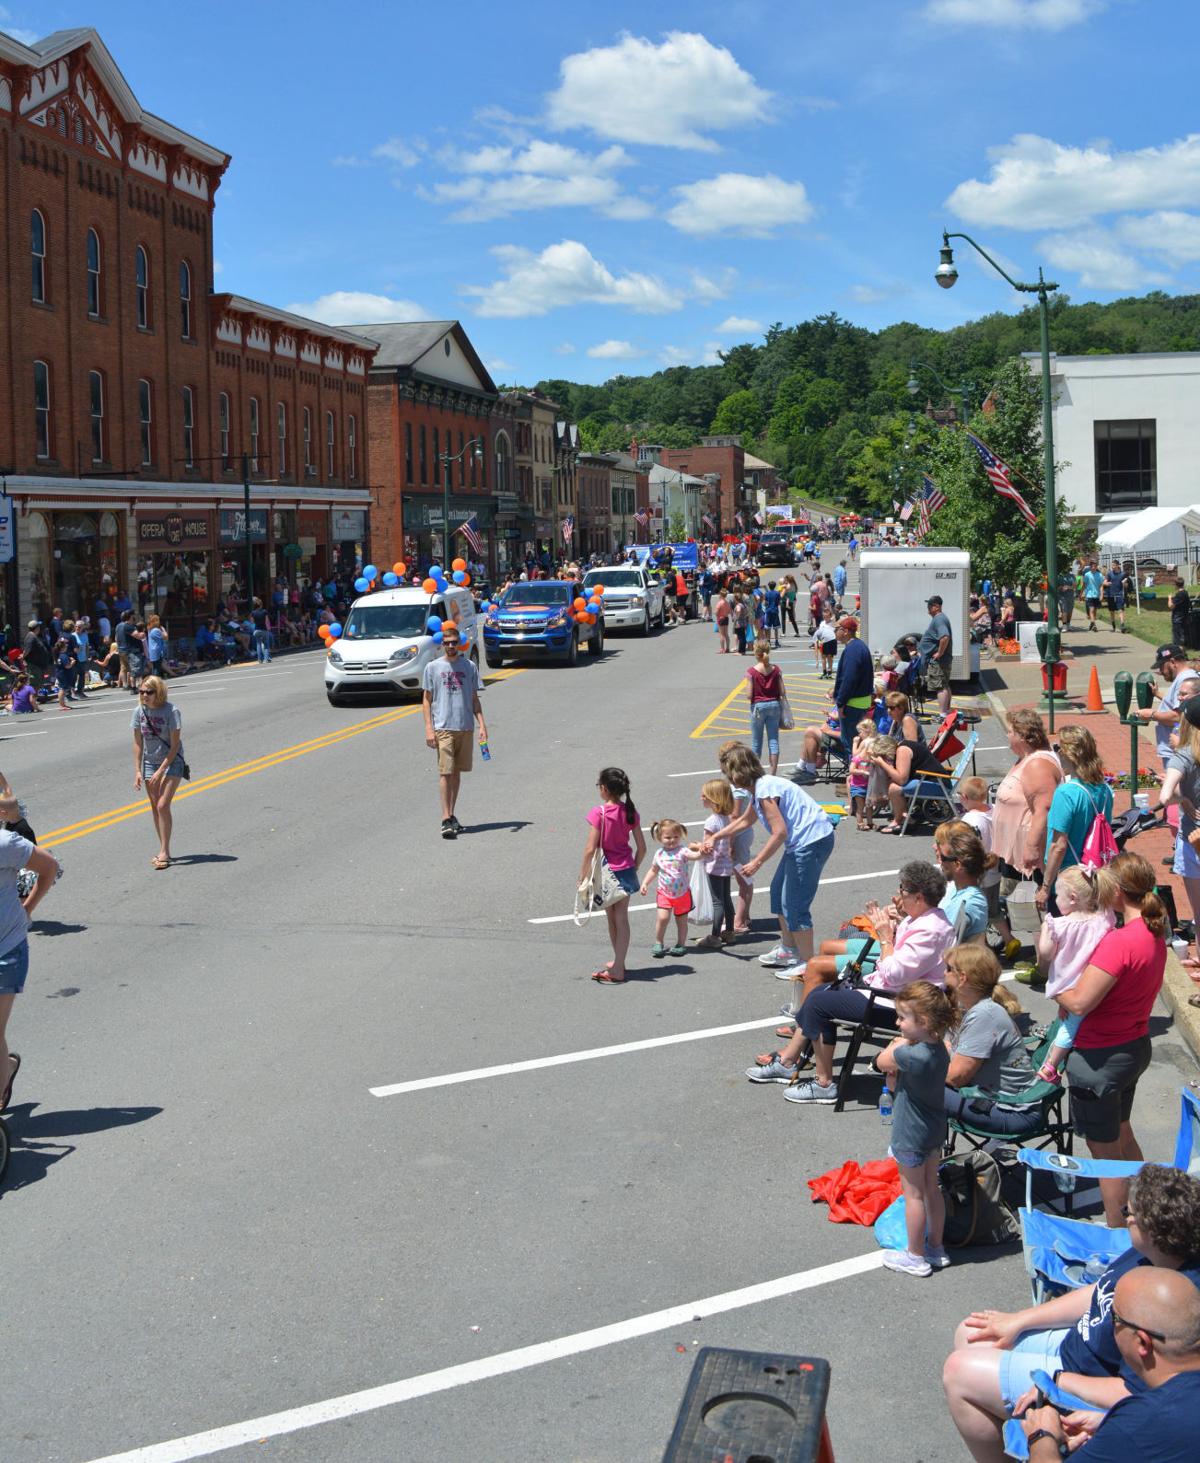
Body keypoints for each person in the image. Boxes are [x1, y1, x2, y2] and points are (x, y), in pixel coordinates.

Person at [942, 1163, 1200, 1463]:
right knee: (969, 1333)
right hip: (1073, 1346)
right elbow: (1099, 1292)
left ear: (1153, 1231)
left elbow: (1139, 1390)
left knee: (958, 1373)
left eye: (1128, 1214)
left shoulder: (1175, 1303)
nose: (1123, 1217)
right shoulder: (1150, 1254)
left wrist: (1058, 1380)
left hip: (1085, 1378)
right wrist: (1018, 1321)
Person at [750, 861, 955, 1093]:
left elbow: (894, 974)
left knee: (819, 1003)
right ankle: (790, 1060)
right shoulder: (921, 919)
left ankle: (823, 1083)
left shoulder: (931, 930)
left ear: (919, 897)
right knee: (820, 992)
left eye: (903, 890)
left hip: (902, 1007)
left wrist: (886, 936)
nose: (899, 894)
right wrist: (894, 925)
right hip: (894, 994)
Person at [1057, 851, 1168, 1226]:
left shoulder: (1119, 942)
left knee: (1104, 1157)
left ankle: (1119, 1233)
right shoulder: (1154, 931)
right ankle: (1152, 1210)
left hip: (1100, 1060)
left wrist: (1055, 985)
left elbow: (1080, 1001)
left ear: (1118, 891)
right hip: (1133, 1048)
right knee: (1122, 1133)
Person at [1018, 1267, 1200, 1463]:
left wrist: (1041, 1437)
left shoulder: (1141, 1423)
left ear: (1143, 1342)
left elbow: (1145, 1431)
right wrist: (1108, 1423)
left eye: (1113, 1317)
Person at [707, 742, 835, 976]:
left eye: (729, 774)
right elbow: (745, 820)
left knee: (795, 904)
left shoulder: (764, 790)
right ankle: (788, 949)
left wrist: (757, 862)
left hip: (811, 842)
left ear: (738, 772)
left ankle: (809, 963)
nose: (729, 780)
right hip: (803, 843)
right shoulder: (759, 788)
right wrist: (716, 836)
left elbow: (780, 832)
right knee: (778, 893)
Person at [875, 980, 957, 1276]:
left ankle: (915, 1255)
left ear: (922, 1022)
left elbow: (881, 1061)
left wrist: (896, 1044)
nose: (897, 1023)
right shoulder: (940, 1049)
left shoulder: (910, 1054)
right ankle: (936, 1248)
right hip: (934, 1128)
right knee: (931, 1188)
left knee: (913, 1194)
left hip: (910, 1131)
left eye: (902, 1018)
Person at [0, 791, 60, 1114]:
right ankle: (5, 1067)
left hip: (6, 950)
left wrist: (27, 910)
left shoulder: (5, 844)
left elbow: (49, 866)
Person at [940, 944, 1038, 1134]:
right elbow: (949, 1047)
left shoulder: (984, 1014)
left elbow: (955, 1077)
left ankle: (916, 1158)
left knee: (914, 1083)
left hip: (1010, 1110)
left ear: (963, 978)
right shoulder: (973, 1007)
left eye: (948, 969)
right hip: (999, 1100)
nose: (944, 973)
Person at [1034, 865, 1116, 1082]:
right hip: (1094, 981)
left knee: (1068, 1028)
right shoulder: (1103, 919)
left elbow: (1045, 953)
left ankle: (1050, 1066)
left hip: (1068, 986)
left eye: (1057, 895)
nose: (1055, 899)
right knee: (1071, 1022)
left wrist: (1045, 929)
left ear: (1072, 898)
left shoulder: (1058, 925)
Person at [991, 708, 1062, 927]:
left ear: (1022, 736)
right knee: (1027, 910)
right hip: (1017, 848)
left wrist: (1031, 848)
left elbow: (1044, 809)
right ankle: (1041, 952)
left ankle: (1047, 957)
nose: (1007, 735)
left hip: (1032, 853)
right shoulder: (1027, 758)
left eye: (1010, 731)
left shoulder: (1037, 764)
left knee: (1038, 909)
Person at [1036, 724, 1115, 914]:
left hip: (1068, 877)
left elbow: (1058, 845)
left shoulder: (1066, 793)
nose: (1056, 753)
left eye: (1058, 748)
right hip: (1094, 871)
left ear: (1068, 754)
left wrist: (1045, 887)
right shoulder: (1104, 789)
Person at [421, 623, 486, 840]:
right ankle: (445, 818)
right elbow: (426, 701)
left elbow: (474, 699)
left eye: (454, 643)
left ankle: (452, 814)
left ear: (459, 644)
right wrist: (429, 728)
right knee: (445, 772)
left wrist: (482, 726)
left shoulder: (469, 667)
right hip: (443, 727)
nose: (450, 646)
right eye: (447, 643)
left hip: (464, 726)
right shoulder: (433, 668)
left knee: (457, 773)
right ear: (442, 645)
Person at [580, 767, 645, 984]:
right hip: (625, 869)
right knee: (622, 918)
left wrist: (583, 875)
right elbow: (642, 848)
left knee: (612, 918)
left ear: (605, 789)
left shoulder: (600, 813)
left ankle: (618, 968)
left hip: (606, 872)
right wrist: (633, 867)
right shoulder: (629, 812)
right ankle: (619, 961)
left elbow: (590, 848)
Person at [131, 675, 185, 870]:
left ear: (159, 692)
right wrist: (138, 770)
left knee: (163, 805)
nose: (144, 695)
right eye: (142, 692)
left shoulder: (172, 711)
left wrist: (162, 770)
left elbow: (175, 744)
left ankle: (164, 852)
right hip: (149, 763)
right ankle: (164, 848)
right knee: (155, 807)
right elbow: (138, 743)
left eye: (149, 692)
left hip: (171, 761)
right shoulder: (139, 712)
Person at [1158, 692, 1200, 939]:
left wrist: (1181, 799)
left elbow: (1165, 796)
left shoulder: (1184, 754)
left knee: (1198, 910)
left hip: (1192, 836)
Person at [640, 819, 704, 958]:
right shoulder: (659, 854)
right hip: (665, 893)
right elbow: (653, 870)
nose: (672, 840)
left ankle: (681, 944)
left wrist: (702, 851)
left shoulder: (683, 851)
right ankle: (658, 942)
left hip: (682, 894)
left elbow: (695, 856)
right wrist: (645, 883)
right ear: (659, 838)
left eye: (675, 837)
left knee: (681, 921)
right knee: (662, 918)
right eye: (667, 837)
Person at [866, 732, 951, 834]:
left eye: (884, 756)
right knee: (893, 783)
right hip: (932, 780)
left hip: (939, 785)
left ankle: (900, 821)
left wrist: (882, 763)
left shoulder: (903, 750)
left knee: (894, 787)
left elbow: (902, 779)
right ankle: (903, 818)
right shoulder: (901, 747)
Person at [695, 778, 738, 949]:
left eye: (704, 795)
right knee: (726, 898)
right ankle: (729, 931)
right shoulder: (725, 819)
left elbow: (706, 847)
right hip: (726, 864)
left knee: (717, 901)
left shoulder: (711, 821)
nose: (701, 798)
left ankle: (714, 936)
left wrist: (694, 846)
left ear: (713, 799)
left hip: (714, 866)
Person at [933, 820, 990, 940]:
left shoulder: (970, 901)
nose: (935, 847)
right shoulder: (956, 889)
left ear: (958, 864)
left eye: (943, 857)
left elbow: (941, 939)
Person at [831, 615, 873, 764]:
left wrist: (841, 703)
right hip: (860, 702)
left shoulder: (853, 650)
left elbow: (849, 679)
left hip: (852, 703)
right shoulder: (859, 646)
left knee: (850, 742)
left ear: (846, 631)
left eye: (837, 629)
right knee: (858, 741)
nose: (835, 632)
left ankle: (854, 779)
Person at [746, 638, 785, 777]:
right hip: (774, 705)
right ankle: (773, 774)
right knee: (773, 740)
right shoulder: (775, 669)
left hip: (758, 706)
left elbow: (749, 695)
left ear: (756, 653)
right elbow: (782, 692)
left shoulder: (751, 672)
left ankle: (755, 774)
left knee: (756, 742)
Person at [919, 594, 954, 715]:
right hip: (942, 659)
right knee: (944, 685)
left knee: (940, 687)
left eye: (930, 606)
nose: (928, 609)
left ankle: (943, 713)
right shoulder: (940, 618)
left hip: (939, 661)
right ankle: (946, 711)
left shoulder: (939, 619)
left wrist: (939, 653)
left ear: (937, 607)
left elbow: (944, 637)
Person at [1105, 561, 1128, 632]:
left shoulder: (1123, 574)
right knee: (1112, 611)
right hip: (1110, 595)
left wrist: (1124, 583)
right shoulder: (1109, 574)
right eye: (1112, 565)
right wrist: (1106, 583)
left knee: (1120, 610)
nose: (1112, 567)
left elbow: (1126, 586)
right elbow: (1104, 582)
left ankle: (1122, 625)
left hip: (1119, 594)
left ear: (1118, 565)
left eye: (1114, 565)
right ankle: (1113, 626)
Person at [1082, 558, 1104, 632]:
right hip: (1089, 595)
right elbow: (1084, 584)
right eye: (1092, 566)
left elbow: (1101, 585)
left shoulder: (1100, 575)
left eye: (1095, 566)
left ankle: (1091, 623)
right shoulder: (1087, 575)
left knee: (1095, 611)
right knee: (1091, 609)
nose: (1093, 567)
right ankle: (1094, 624)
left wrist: (1101, 595)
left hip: (1096, 595)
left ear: (1096, 566)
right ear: (1090, 566)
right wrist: (1082, 592)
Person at [1169, 577, 1191, 651]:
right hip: (1184, 618)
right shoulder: (1185, 592)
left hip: (1178, 619)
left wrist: (1169, 598)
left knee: (1177, 640)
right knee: (1182, 638)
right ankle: (1183, 654)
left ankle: (1179, 656)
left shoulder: (1179, 595)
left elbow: (1171, 606)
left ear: (1176, 585)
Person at [763, 580, 782, 648]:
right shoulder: (777, 593)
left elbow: (765, 603)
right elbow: (779, 603)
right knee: (776, 627)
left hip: (768, 611)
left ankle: (768, 641)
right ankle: (776, 641)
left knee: (768, 627)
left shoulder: (766, 593)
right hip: (775, 610)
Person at [714, 587, 731, 653]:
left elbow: (716, 612)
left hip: (720, 618)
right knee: (726, 634)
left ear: (720, 595)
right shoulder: (727, 602)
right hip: (726, 618)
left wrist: (716, 613)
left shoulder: (719, 603)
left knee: (721, 634)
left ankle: (722, 649)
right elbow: (729, 611)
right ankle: (728, 648)